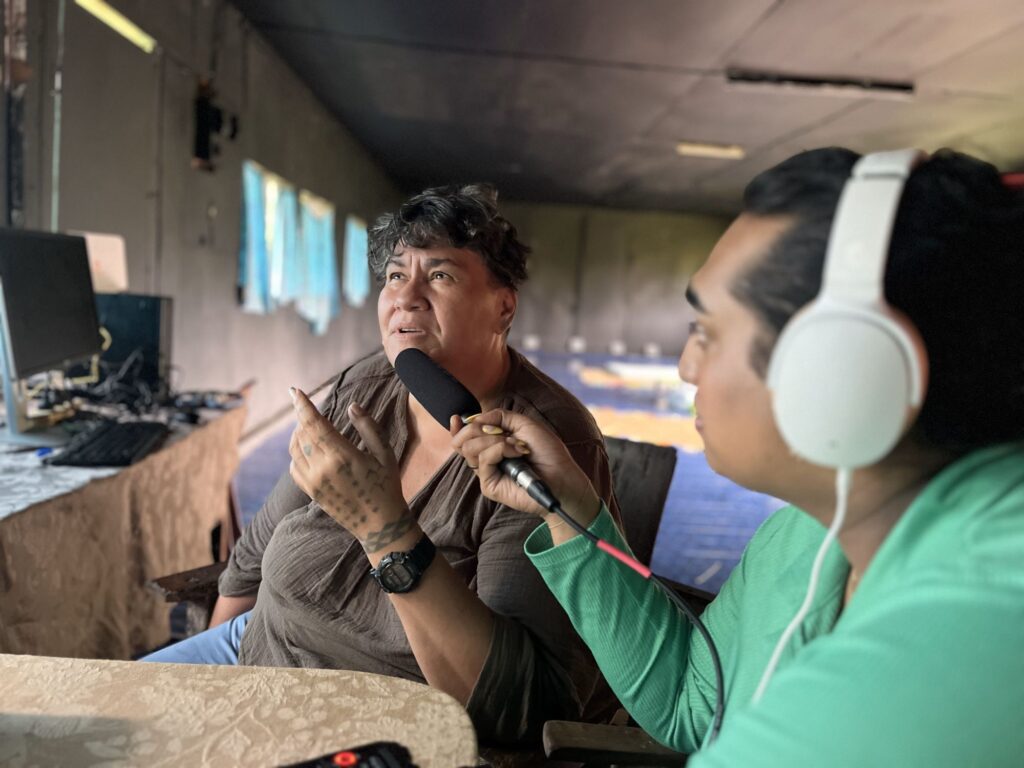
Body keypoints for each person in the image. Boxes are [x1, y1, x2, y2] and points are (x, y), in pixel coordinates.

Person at [452, 148, 1024, 765]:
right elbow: (691, 704)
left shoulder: (973, 628)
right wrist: (570, 512)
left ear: (856, 367)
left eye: (710, 332)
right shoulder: (808, 530)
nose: (686, 367)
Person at [144, 183, 621, 746]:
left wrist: (384, 530)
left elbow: (513, 705)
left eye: (440, 276)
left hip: (383, 716)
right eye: (396, 275)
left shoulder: (544, 444)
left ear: (503, 306)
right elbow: (256, 551)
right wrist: (222, 686)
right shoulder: (369, 384)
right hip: (259, 648)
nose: (407, 297)